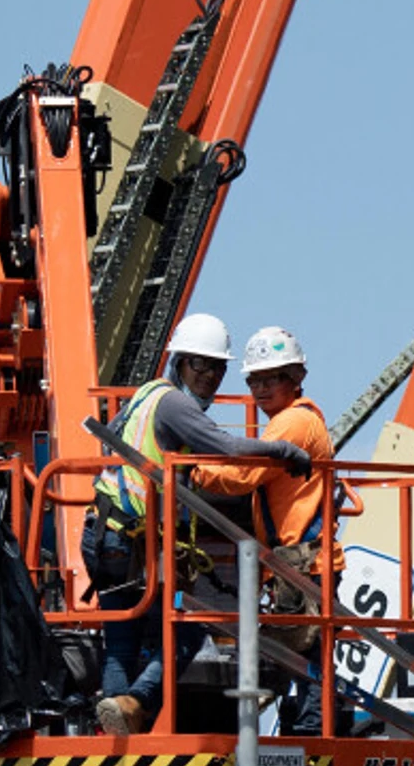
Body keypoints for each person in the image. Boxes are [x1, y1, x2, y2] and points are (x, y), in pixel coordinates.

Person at [84, 312, 311, 734]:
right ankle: (137, 701)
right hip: (131, 542)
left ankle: (114, 726)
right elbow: (225, 447)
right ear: (180, 362)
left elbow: (113, 437)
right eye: (200, 365)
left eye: (218, 368)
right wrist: (280, 449)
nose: (209, 375)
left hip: (105, 534)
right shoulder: (175, 404)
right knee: (188, 633)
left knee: (122, 641)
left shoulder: (147, 394)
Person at [188, 325, 340, 735]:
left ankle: (313, 725)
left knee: (308, 645)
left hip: (306, 560)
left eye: (270, 379)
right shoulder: (288, 421)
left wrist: (193, 469)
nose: (260, 388)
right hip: (297, 560)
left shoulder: (292, 423)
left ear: (296, 379)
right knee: (303, 646)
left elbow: (241, 475)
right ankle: (312, 720)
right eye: (254, 380)